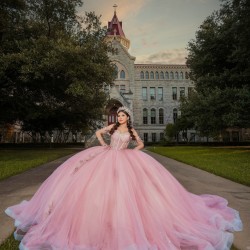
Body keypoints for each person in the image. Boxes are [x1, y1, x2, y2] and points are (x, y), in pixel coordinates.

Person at [5, 106, 242, 250]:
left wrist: (134, 152)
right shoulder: (111, 130)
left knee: (132, 193)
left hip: (127, 159)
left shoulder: (130, 132)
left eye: (122, 115)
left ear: (127, 118)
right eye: (117, 115)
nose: (119, 118)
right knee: (99, 191)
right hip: (108, 157)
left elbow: (141, 143)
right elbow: (98, 132)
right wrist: (103, 145)